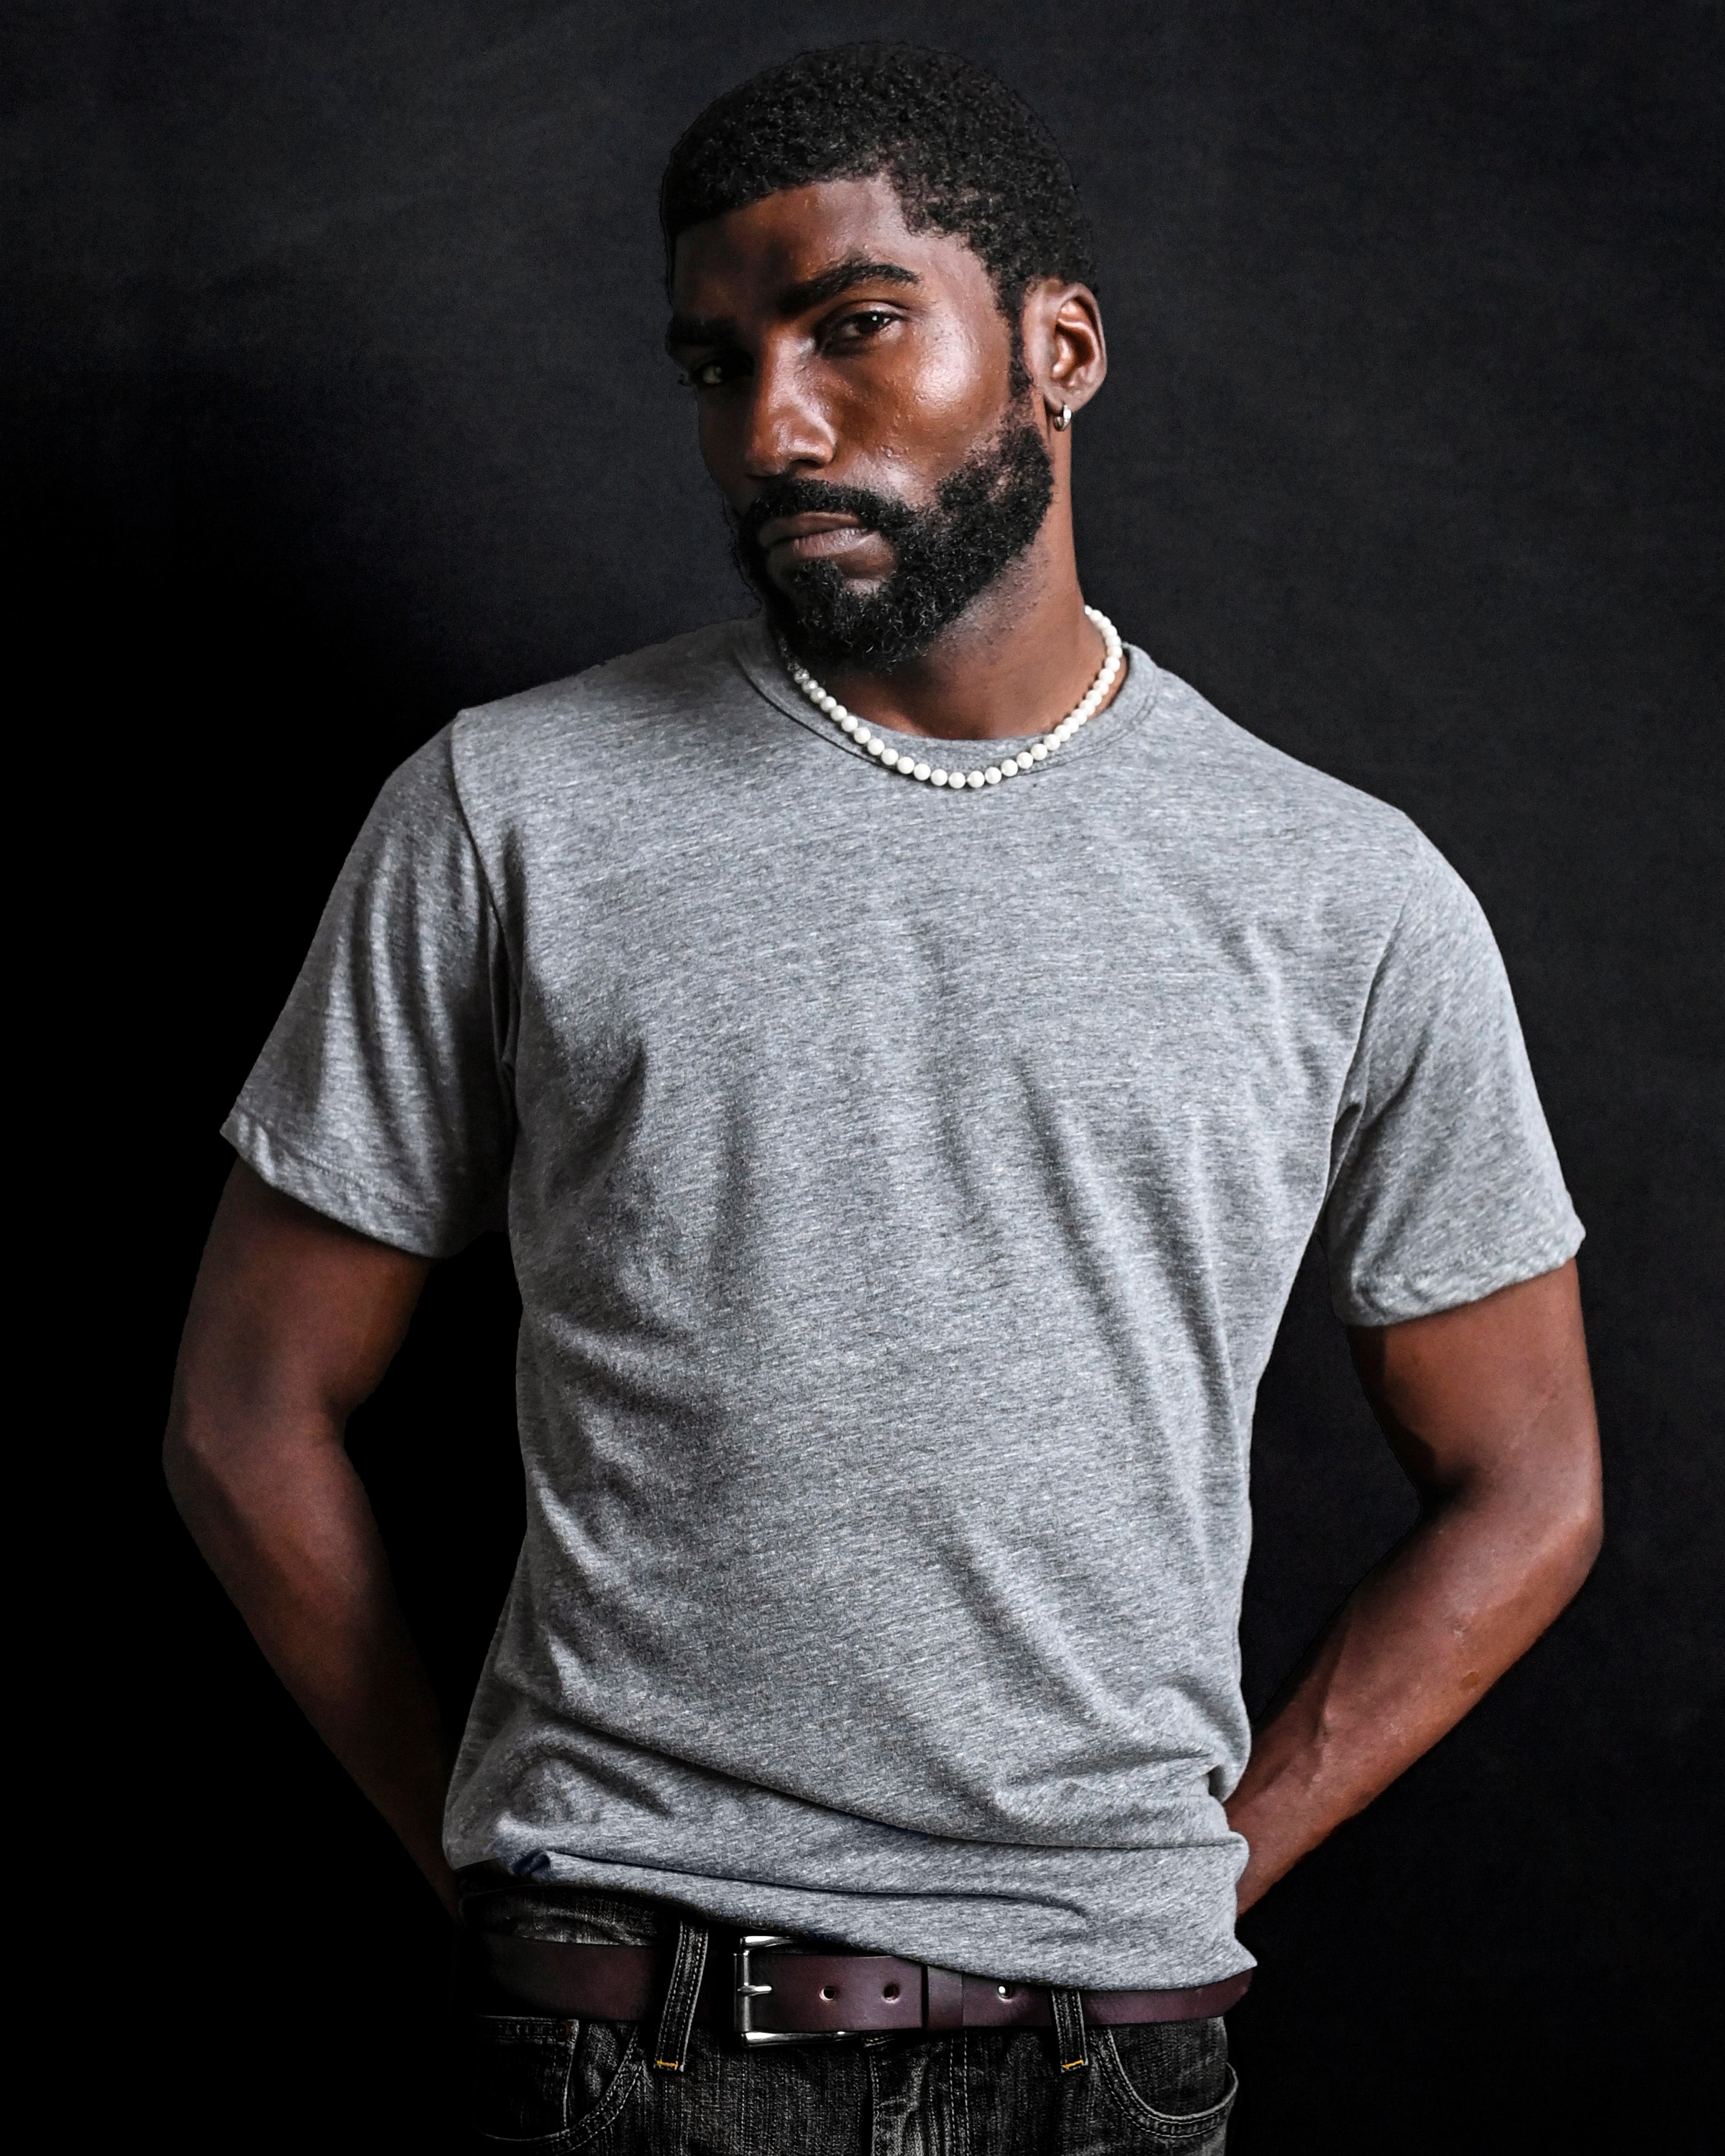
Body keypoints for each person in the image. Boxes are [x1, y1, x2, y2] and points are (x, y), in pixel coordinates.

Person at [164, 44, 1602, 2154]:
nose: (773, 427)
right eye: (715, 364)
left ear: (1058, 349)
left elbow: (1532, 1480)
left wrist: (1199, 1868)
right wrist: (500, 1867)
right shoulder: (512, 810)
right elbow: (242, 1412)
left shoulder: (1342, 893)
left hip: (1104, 2059)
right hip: (608, 2029)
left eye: (850, 327)